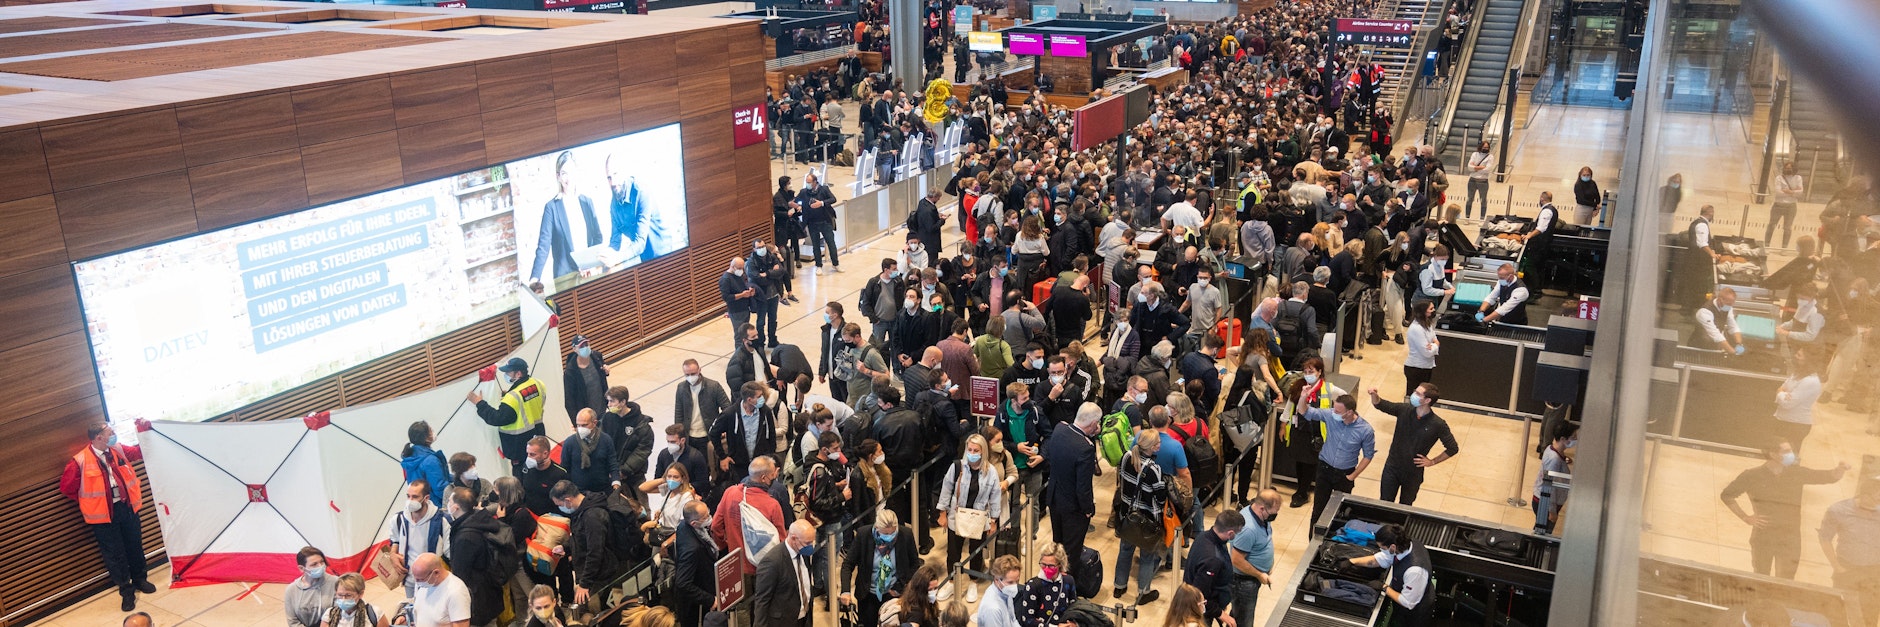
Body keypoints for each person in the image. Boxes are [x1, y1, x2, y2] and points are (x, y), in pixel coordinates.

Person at [1717, 436, 1847, 579]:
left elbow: (1825, 477)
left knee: (1787, 577)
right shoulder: (1752, 475)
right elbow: (1727, 495)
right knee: (1761, 574)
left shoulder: (1796, 473)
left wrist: (1839, 470)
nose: (1792, 454)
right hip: (1764, 535)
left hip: (1790, 536)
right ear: (1773, 454)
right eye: (1787, 451)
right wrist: (1745, 517)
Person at [60, 422, 154, 611]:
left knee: (134, 545)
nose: (114, 435)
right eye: (110, 433)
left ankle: (140, 579)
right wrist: (91, 503)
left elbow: (139, 452)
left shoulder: (117, 449)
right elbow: (67, 488)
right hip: (103, 516)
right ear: (99, 438)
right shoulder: (79, 460)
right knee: (115, 555)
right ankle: (126, 591)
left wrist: (146, 431)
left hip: (127, 508)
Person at [938, 434, 1004, 600]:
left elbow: (995, 497)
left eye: (976, 450)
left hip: (979, 518)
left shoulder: (991, 472)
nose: (972, 453)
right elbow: (946, 490)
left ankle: (973, 581)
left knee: (976, 551)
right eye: (970, 449)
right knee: (953, 552)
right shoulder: (957, 467)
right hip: (957, 516)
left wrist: (993, 520)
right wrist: (942, 513)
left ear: (983, 452)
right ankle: (952, 582)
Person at [1369, 384, 1459, 506]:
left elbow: (1453, 448)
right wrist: (1374, 395)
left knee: (1406, 504)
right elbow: (1381, 404)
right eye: (1415, 392)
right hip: (1392, 466)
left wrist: (1432, 461)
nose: (1413, 395)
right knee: (1385, 502)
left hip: (1413, 473)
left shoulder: (1438, 424)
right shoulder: (1404, 410)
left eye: (1418, 393)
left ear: (1427, 400)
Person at [1043, 404, 1102, 582]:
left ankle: (1052, 580)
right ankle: (1066, 588)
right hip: (1073, 508)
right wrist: (1088, 509)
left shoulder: (1060, 428)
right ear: (1092, 424)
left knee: (1057, 545)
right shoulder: (1085, 448)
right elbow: (1083, 486)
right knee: (1071, 553)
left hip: (1054, 499)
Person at [548, 481, 620, 624]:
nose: (560, 508)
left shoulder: (593, 516)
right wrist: (565, 547)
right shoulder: (582, 509)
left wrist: (585, 584)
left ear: (568, 500)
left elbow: (595, 552)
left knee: (595, 615)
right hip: (591, 575)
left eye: (559, 504)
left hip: (599, 577)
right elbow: (581, 538)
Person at [1113, 426, 1171, 605]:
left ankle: (1119, 585)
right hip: (1146, 519)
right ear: (1152, 447)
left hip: (1127, 514)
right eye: (1158, 443)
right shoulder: (1154, 468)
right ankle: (1143, 591)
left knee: (1125, 550)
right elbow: (1160, 497)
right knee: (1147, 555)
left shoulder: (1126, 457)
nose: (1160, 445)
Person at [1298, 394, 1377, 525]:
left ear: (1350, 412)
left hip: (1345, 474)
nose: (1334, 412)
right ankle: (1313, 541)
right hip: (1325, 469)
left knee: (1341, 512)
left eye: (1338, 411)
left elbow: (1368, 455)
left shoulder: (1365, 430)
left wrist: (1353, 476)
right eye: (1334, 409)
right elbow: (1304, 411)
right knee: (1318, 510)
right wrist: (1303, 397)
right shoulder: (1330, 415)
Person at [527, 151, 599, 283]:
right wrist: (534, 278)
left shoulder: (587, 202)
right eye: (564, 173)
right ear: (558, 176)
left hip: (589, 275)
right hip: (565, 280)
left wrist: (592, 264)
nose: (568, 178)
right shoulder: (551, 208)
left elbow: (597, 237)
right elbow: (543, 247)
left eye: (571, 172)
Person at [444, 487, 511, 627]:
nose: (447, 504)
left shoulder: (465, 536)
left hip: (477, 599)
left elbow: (460, 573)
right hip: (490, 591)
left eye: (449, 501)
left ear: (455, 507)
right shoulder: (480, 521)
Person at [470, 358, 548, 475]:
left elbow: (496, 418)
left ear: (518, 374)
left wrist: (479, 403)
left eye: (508, 372)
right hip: (539, 438)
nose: (506, 375)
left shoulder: (513, 397)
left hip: (520, 447)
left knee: (522, 481)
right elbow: (529, 402)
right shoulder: (538, 384)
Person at [1818, 478, 1880, 626]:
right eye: (1876, 498)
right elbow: (1825, 538)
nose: (1878, 503)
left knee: (1870, 616)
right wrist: (1836, 566)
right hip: (1847, 570)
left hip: (1874, 572)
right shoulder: (1838, 510)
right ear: (1864, 495)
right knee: (1839, 613)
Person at [710, 457, 788, 574]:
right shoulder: (772, 505)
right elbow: (781, 540)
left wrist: (725, 546)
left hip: (735, 563)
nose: (774, 478)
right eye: (772, 475)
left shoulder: (730, 493)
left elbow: (715, 526)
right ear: (763, 478)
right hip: (762, 567)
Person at [1345, 525, 1432, 627]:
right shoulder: (1405, 545)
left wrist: (1384, 587)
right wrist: (1352, 561)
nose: (1381, 550)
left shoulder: (1414, 571)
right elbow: (1380, 560)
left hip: (1415, 612)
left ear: (1392, 547)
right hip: (1407, 597)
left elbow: (1408, 602)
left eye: (1382, 548)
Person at [841, 509, 917, 627]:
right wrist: (845, 591)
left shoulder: (905, 534)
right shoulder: (863, 535)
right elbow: (848, 564)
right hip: (868, 594)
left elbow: (914, 564)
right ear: (877, 528)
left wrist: (899, 586)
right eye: (885, 534)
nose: (889, 537)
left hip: (894, 594)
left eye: (892, 533)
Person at [386, 480, 452, 598]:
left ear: (426, 498)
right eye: (408, 496)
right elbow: (395, 540)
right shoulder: (398, 519)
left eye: (415, 497)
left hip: (434, 581)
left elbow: (449, 553)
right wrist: (393, 555)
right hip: (410, 581)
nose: (410, 500)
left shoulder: (441, 521)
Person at [711, 381, 778, 485]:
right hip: (739, 465)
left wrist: (770, 458)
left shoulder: (765, 412)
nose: (762, 399)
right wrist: (722, 456)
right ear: (749, 400)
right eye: (759, 396)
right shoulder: (730, 414)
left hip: (760, 466)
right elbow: (713, 433)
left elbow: (772, 437)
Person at [753, 520, 816, 627]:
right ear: (793, 538)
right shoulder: (772, 562)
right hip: (783, 622)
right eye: (807, 543)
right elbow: (762, 601)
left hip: (804, 618)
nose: (811, 546)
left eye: (812, 542)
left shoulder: (802, 552)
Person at [668, 501, 719, 627]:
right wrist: (710, 600)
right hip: (694, 604)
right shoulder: (693, 549)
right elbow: (683, 583)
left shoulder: (683, 526)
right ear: (694, 523)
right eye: (705, 517)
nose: (709, 518)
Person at [674, 359, 731, 461]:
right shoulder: (681, 388)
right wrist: (678, 434)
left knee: (709, 464)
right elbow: (679, 412)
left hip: (707, 436)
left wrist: (723, 427)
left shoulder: (713, 386)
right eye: (687, 375)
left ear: (700, 370)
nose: (690, 377)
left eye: (693, 373)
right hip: (689, 437)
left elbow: (727, 408)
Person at [1016, 542, 1077, 627]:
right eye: (1043, 564)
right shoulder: (1033, 585)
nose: (1046, 569)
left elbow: (1074, 608)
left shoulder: (1068, 581)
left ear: (1060, 564)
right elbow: (1027, 619)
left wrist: (1073, 624)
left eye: (1051, 566)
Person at [406, 553, 473, 627]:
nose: (417, 582)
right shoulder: (425, 582)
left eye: (420, 579)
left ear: (436, 573)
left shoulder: (456, 592)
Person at [562, 409, 620, 493]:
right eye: (578, 425)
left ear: (594, 423)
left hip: (602, 489)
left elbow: (613, 463)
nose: (580, 428)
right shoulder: (569, 442)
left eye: (584, 425)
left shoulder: (606, 440)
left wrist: (616, 483)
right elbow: (565, 468)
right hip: (579, 492)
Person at [797, 172, 842, 273]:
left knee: (831, 243)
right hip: (812, 223)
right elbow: (796, 201)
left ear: (815, 182)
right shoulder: (804, 192)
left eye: (809, 182)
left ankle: (836, 264)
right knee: (816, 245)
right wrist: (798, 206)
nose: (807, 184)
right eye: (806, 182)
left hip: (825, 221)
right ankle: (818, 265)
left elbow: (833, 199)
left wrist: (821, 203)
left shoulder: (824, 189)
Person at [518, 436, 569, 525]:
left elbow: (566, 502)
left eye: (533, 454)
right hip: (529, 517)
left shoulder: (560, 474)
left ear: (545, 454)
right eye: (528, 453)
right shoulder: (526, 468)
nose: (528, 458)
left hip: (550, 521)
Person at [562, 335, 610, 426]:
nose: (585, 347)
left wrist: (606, 371)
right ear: (574, 349)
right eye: (581, 346)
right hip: (586, 416)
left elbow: (602, 373)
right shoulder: (570, 372)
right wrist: (576, 424)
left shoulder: (596, 357)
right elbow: (569, 401)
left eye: (586, 344)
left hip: (602, 408)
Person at [399, 422, 450, 507]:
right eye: (431, 430)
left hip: (421, 505)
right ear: (426, 438)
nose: (433, 432)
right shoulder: (430, 460)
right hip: (436, 506)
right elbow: (440, 488)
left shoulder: (410, 457)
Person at [748, 237, 787, 348]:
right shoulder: (751, 262)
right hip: (761, 296)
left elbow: (781, 271)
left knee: (773, 319)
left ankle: (772, 340)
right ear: (754, 249)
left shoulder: (772, 257)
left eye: (763, 246)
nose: (762, 249)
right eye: (759, 247)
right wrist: (772, 274)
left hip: (773, 294)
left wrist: (767, 274)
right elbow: (757, 278)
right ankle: (760, 342)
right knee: (761, 321)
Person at [287, 547, 338, 627]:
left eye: (322, 562)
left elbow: (339, 614)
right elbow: (292, 621)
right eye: (314, 564)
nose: (320, 566)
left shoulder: (336, 582)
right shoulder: (291, 590)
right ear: (301, 568)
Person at [320, 573, 390, 627]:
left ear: (361, 594)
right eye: (340, 595)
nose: (343, 599)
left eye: (348, 595)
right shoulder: (329, 615)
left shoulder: (374, 613)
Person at [1691, 287, 1745, 355]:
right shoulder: (1704, 312)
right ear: (1720, 299)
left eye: (1732, 304)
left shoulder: (1727, 307)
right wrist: (1732, 351)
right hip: (1699, 347)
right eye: (1728, 304)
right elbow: (1715, 334)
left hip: (1715, 346)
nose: (1730, 306)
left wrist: (1739, 344)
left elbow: (1733, 326)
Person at [976, 554, 1025, 627]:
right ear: (996, 580)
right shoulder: (992, 609)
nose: (1015, 586)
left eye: (1017, 581)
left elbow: (1013, 620)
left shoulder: (1006, 593)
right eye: (1010, 582)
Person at [1404, 300, 1439, 397]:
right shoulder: (1417, 328)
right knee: (1415, 397)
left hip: (1426, 367)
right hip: (1416, 368)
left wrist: (1433, 344)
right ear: (1423, 311)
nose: (1433, 310)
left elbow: (1434, 338)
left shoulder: (1427, 324)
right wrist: (1435, 345)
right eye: (1431, 309)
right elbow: (1427, 352)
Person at [721, 257, 755, 347]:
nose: (741, 270)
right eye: (739, 268)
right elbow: (726, 297)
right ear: (732, 266)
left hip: (745, 308)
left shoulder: (740, 275)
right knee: (739, 335)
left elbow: (744, 286)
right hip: (736, 311)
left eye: (742, 268)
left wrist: (749, 290)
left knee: (746, 333)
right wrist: (742, 295)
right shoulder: (725, 279)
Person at [1770, 162, 1804, 247]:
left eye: (1790, 168)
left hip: (1791, 206)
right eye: (1786, 168)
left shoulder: (1798, 178)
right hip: (1778, 204)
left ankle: (1784, 247)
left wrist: (1787, 191)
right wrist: (1793, 192)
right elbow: (1778, 192)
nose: (1788, 170)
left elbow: (1800, 192)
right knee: (1771, 225)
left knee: (1787, 228)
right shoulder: (1779, 178)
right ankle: (1767, 244)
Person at [912, 188, 946, 256]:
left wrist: (937, 215)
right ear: (934, 197)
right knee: (931, 261)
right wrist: (942, 221)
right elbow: (931, 228)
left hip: (922, 236)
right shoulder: (928, 211)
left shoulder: (922, 202)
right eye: (938, 198)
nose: (939, 199)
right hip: (930, 242)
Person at [1464, 141, 1493, 219]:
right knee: (1470, 198)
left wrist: (1475, 168)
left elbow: (1488, 169)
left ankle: (1482, 218)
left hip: (1483, 181)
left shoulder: (1490, 157)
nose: (1485, 149)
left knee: (1483, 200)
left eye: (1487, 148)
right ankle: (1467, 217)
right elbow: (1469, 166)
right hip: (1472, 180)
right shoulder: (1475, 154)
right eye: (1484, 147)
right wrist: (1481, 167)